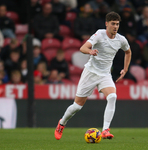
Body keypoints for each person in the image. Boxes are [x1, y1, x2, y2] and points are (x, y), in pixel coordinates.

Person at [54, 11, 132, 140]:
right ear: (106, 24)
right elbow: (82, 48)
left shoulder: (121, 39)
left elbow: (128, 52)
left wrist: (125, 69)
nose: (115, 27)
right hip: (91, 72)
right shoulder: (99, 34)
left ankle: (105, 130)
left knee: (112, 96)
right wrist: (90, 51)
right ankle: (62, 123)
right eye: (113, 24)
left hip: (105, 75)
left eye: (117, 24)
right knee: (77, 106)